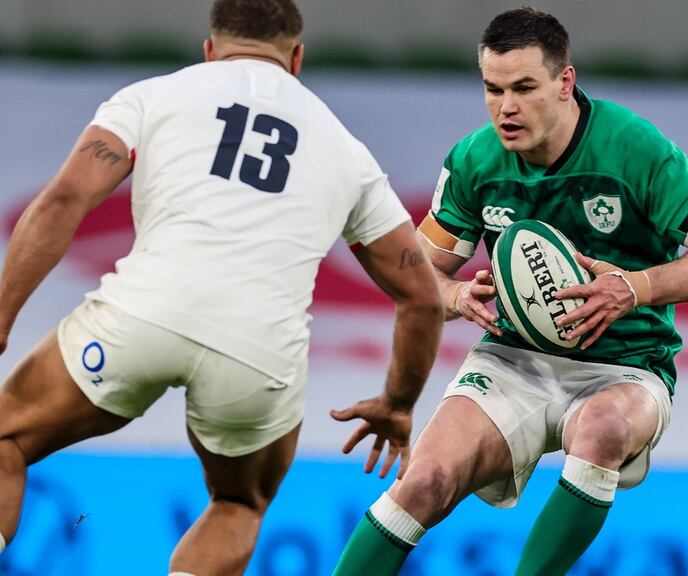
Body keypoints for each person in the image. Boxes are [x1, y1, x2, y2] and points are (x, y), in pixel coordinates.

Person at [0, 1, 443, 574]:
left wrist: (4, 314)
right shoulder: (347, 152)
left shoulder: (154, 95)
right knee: (238, 503)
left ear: (209, 48)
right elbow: (422, 299)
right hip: (256, 355)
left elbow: (65, 199)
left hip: (142, 319)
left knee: (7, 437)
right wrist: (398, 403)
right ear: (297, 59)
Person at [333, 6, 688, 576]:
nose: (505, 107)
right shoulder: (474, 160)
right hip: (513, 360)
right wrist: (455, 297)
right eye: (492, 89)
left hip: (626, 367)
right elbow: (415, 276)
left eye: (523, 88)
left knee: (603, 428)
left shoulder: (633, 148)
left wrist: (633, 288)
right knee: (424, 482)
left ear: (565, 82)